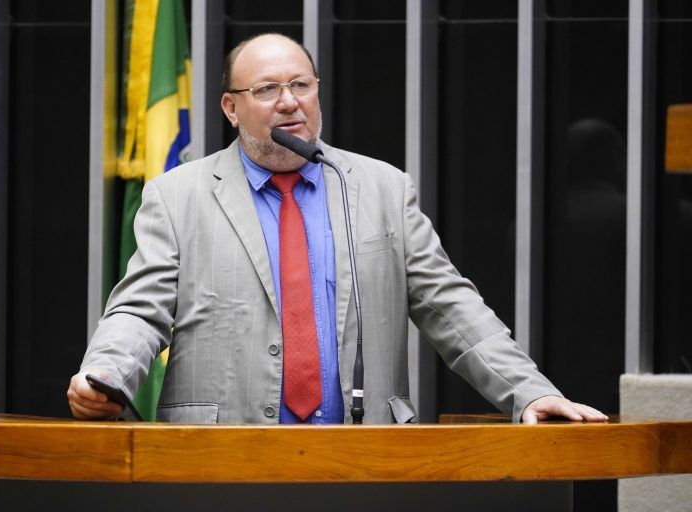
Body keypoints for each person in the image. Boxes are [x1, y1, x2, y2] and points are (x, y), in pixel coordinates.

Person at [67, 33, 607, 425]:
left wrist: (529, 393)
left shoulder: (381, 189)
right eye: (267, 89)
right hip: (220, 457)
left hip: (362, 458)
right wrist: (104, 376)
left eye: (301, 84)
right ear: (231, 108)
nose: (289, 100)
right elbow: (141, 308)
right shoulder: (178, 196)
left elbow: (452, 307)